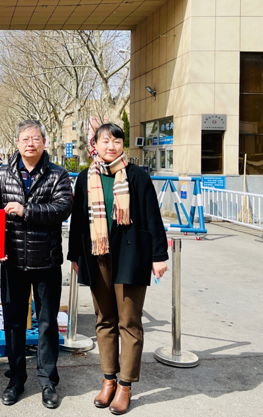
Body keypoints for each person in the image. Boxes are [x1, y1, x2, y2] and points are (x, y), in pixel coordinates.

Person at [68, 123, 168, 415]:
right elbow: (78, 220)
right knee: (105, 319)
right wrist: (74, 255)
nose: (110, 146)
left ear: (123, 145)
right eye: (105, 141)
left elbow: (152, 216)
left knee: (130, 322)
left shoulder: (137, 176)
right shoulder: (86, 177)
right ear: (95, 145)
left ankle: (125, 385)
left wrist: (159, 256)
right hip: (97, 255)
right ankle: (108, 379)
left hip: (131, 255)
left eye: (116, 141)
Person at [0, 119, 73, 409]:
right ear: (17, 143)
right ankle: (16, 379)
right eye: (25, 138)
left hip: (46, 262)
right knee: (13, 324)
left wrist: (26, 211)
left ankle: (48, 382)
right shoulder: (2, 174)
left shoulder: (58, 174)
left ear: (44, 142)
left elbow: (62, 209)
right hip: (12, 263)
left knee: (47, 325)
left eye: (35, 138)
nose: (30, 143)